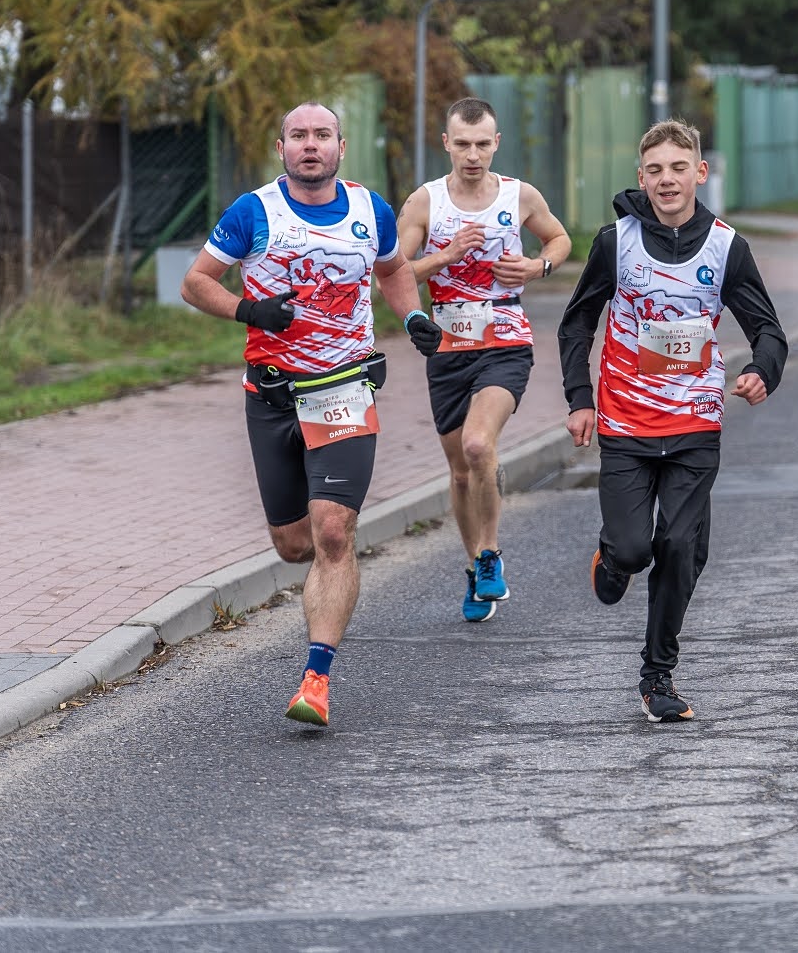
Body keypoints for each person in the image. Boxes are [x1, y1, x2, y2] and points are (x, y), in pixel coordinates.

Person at [180, 102, 443, 727]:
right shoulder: (253, 212)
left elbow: (393, 269)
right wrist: (250, 310)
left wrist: (413, 316)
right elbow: (196, 282)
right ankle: (319, 581)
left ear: (340, 148)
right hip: (271, 394)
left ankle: (316, 680)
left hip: (343, 388)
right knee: (294, 543)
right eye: (298, 136)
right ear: (281, 149)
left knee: (332, 532)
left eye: (322, 135)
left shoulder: (371, 211)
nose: (310, 145)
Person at [559, 119, 788, 723]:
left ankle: (657, 674)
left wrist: (762, 370)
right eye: (655, 170)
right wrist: (579, 398)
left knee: (681, 547)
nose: (667, 180)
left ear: (699, 173)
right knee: (636, 548)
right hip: (625, 421)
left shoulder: (727, 247)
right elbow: (577, 322)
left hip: (694, 421)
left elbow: (767, 329)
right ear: (641, 178)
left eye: (678, 168)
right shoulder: (615, 243)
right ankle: (614, 559)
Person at [397, 96, 573, 623]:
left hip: (505, 339)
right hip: (448, 346)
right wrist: (446, 256)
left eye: (482, 144)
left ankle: (491, 552)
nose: (472, 155)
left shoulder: (520, 195)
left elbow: (559, 239)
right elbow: (394, 273)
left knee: (478, 444)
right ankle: (474, 565)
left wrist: (538, 267)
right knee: (459, 472)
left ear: (496, 143)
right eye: (462, 144)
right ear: (446, 144)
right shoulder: (425, 202)